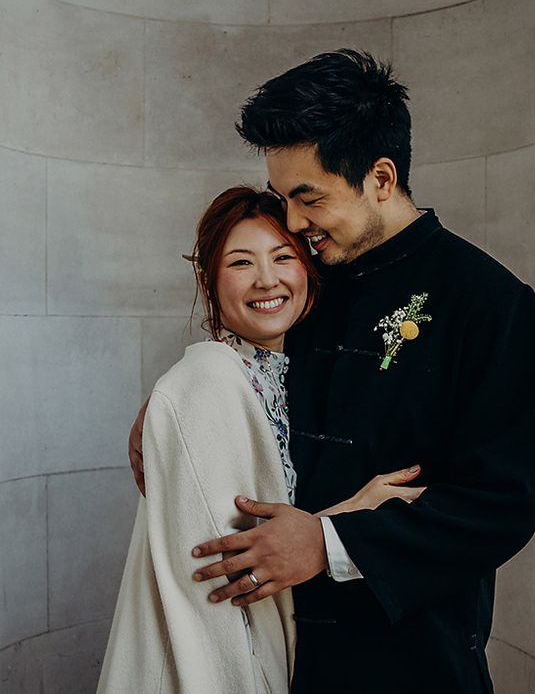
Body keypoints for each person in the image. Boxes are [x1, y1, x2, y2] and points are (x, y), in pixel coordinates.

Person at [129, 49, 535, 693]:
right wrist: (168, 412)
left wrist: (327, 543)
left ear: (380, 178)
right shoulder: (305, 281)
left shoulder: (490, 302)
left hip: (413, 655)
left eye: (309, 198)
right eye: (283, 199)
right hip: (277, 649)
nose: (294, 224)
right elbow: (247, 389)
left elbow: (500, 506)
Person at [103, 187, 425, 694]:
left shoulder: (278, 373)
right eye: (240, 262)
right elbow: (214, 579)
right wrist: (349, 517)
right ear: (208, 278)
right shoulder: (208, 380)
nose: (267, 279)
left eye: (283, 257)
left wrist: (349, 512)